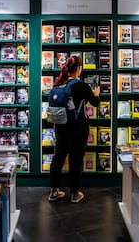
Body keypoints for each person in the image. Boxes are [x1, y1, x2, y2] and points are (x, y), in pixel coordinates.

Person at [48, 55, 100, 203]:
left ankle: (53, 192)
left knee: (58, 156)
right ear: (78, 69)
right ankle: (75, 193)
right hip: (78, 127)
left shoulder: (59, 84)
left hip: (60, 125)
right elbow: (95, 103)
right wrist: (96, 94)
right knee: (75, 159)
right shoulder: (82, 86)